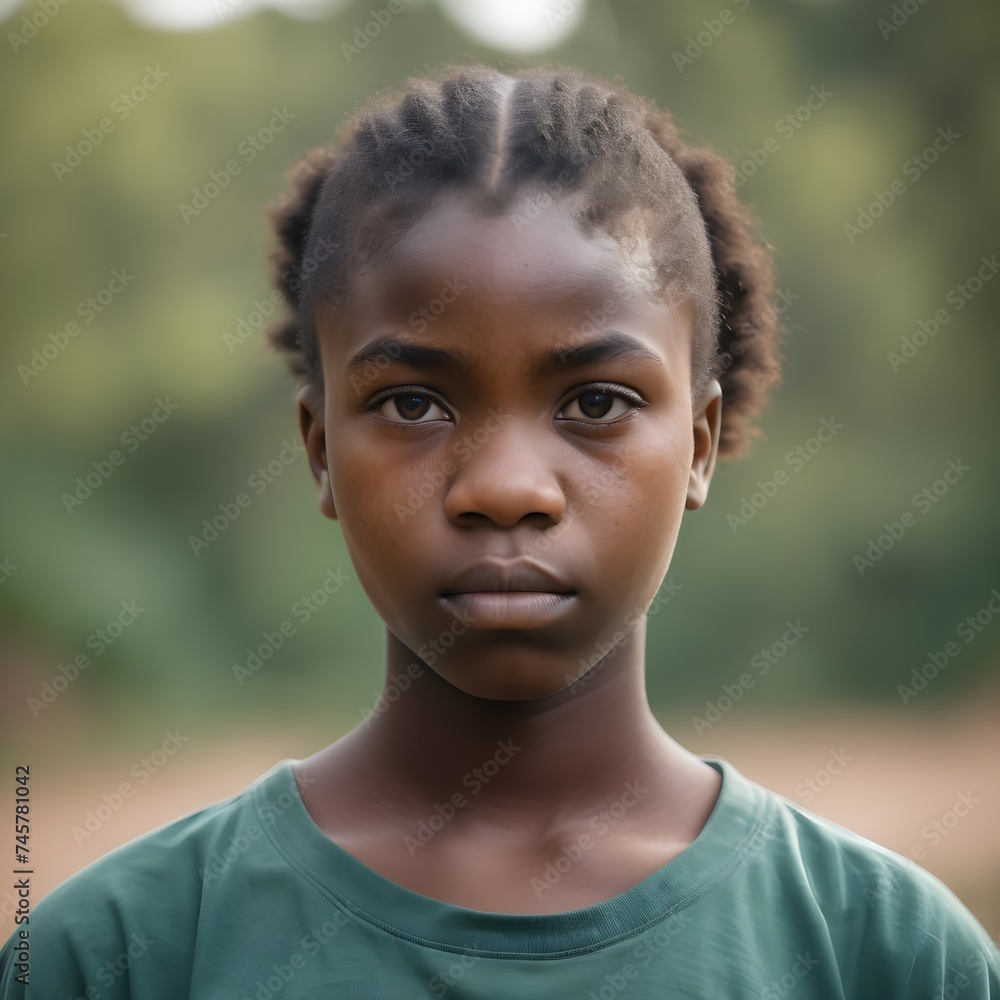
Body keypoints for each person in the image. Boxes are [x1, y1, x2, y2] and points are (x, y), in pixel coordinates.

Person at [2, 62, 997, 999]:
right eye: (412, 404)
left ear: (697, 446)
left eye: (597, 403)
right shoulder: (118, 955)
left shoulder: (887, 954)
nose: (505, 487)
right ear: (320, 449)